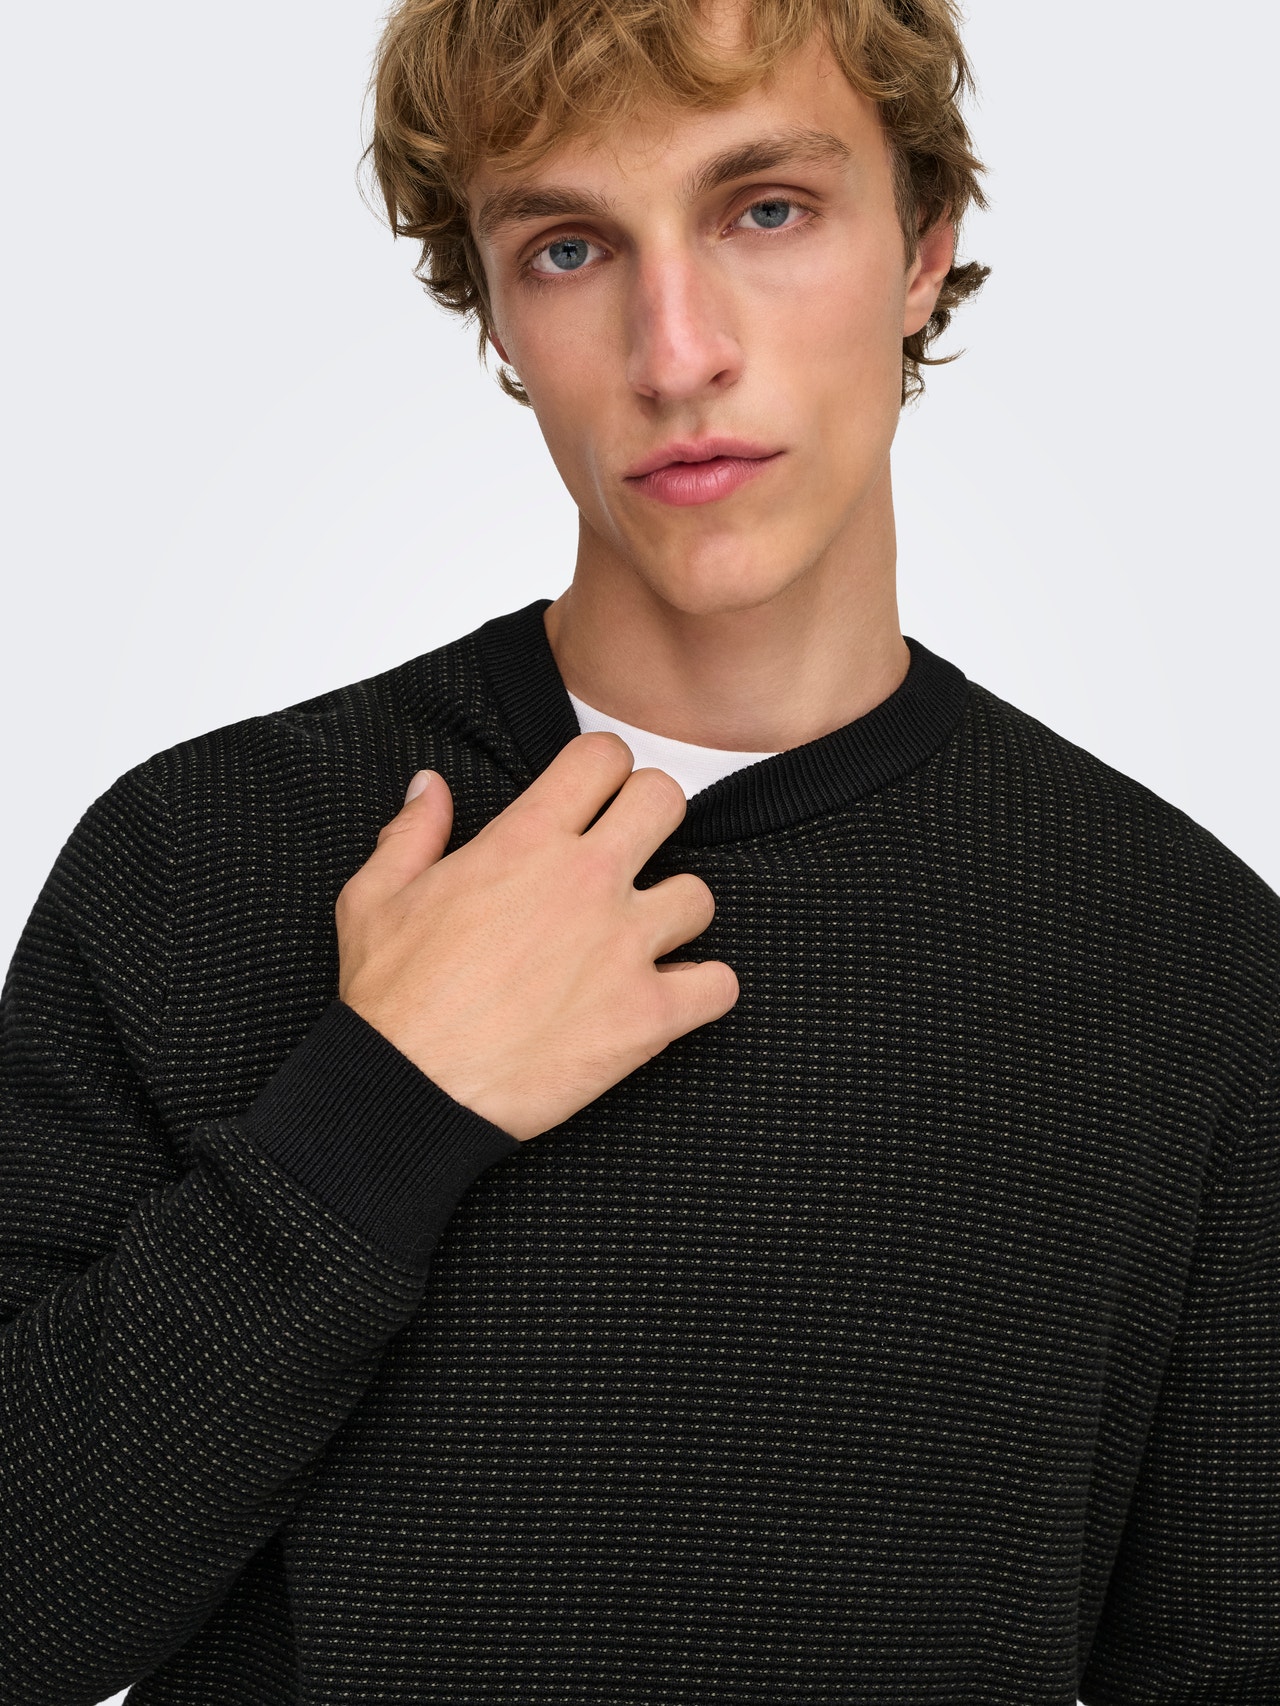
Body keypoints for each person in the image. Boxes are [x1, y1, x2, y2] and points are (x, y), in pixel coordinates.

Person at [2, 0, 1276, 1701]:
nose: (676, 354)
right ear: (497, 313)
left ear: (923, 246)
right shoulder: (201, 860)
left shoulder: (1187, 959)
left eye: (767, 209)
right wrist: (379, 1109)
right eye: (571, 246)